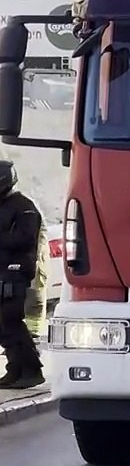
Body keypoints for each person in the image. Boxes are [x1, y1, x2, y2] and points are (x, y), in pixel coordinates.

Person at [0, 161, 45, 389]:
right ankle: (15, 368)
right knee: (3, 325)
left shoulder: (24, 207)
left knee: (10, 321)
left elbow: (25, 239)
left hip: (15, 272)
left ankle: (31, 369)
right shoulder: (4, 205)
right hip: (2, 271)